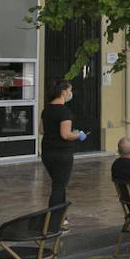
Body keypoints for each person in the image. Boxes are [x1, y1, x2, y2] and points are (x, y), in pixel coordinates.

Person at [40, 80, 87, 211]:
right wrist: (78, 135)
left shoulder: (46, 110)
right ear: (63, 92)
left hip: (47, 152)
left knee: (58, 183)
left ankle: (61, 217)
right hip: (61, 154)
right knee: (59, 186)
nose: (70, 93)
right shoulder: (65, 112)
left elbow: (42, 130)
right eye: (70, 90)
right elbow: (65, 135)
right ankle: (53, 219)